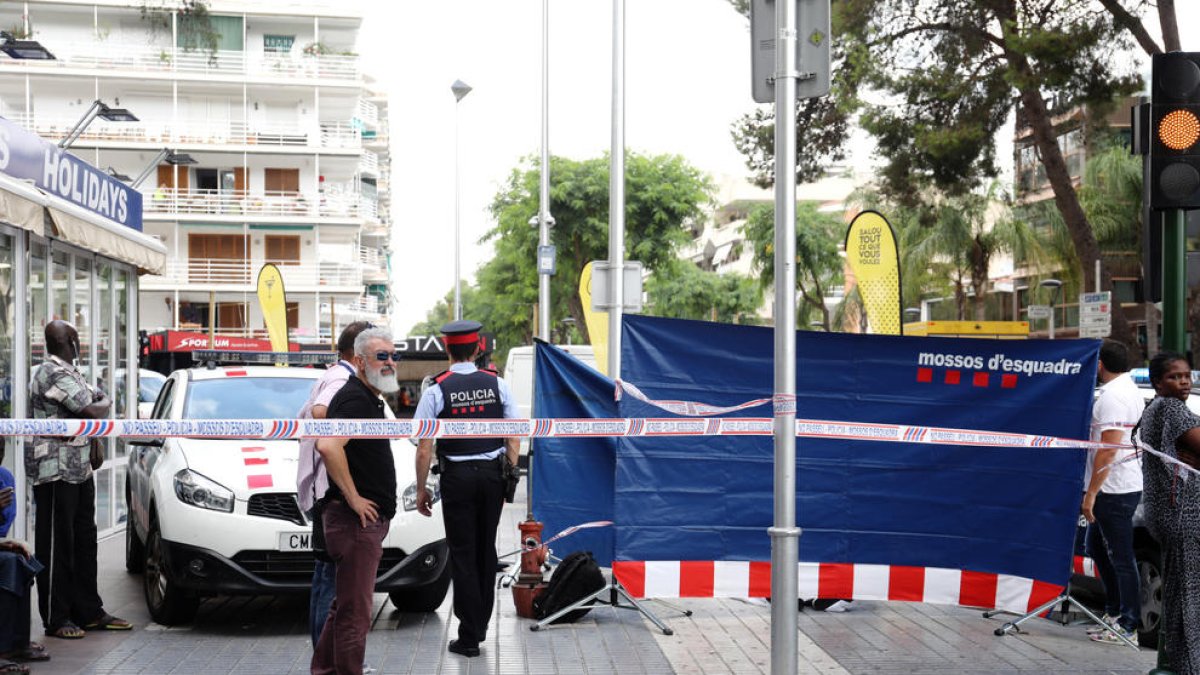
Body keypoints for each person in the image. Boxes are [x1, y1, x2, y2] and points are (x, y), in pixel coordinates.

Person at [414, 320, 519, 658]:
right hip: (491, 478)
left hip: (457, 478)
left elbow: (423, 445)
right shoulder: (497, 384)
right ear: (477, 349)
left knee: (462, 553)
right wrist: (511, 473)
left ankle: (469, 634)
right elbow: (513, 435)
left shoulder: (435, 389)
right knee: (485, 550)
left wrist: (421, 490)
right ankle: (481, 624)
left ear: (447, 349)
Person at [28, 321, 131, 640]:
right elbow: (91, 408)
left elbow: (93, 403)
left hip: (79, 468)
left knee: (85, 541)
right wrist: (103, 403)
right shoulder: (51, 372)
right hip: (55, 470)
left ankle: (89, 611)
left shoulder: (70, 372)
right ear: (71, 342)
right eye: (76, 338)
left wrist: (99, 403)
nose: (80, 344)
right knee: (58, 545)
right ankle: (57, 617)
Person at [311, 327, 399, 675]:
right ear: (360, 361)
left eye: (394, 356)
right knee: (355, 614)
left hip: (358, 523)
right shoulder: (354, 399)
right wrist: (355, 498)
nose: (390, 362)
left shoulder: (368, 397)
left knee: (343, 608)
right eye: (382, 356)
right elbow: (328, 446)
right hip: (355, 523)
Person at [296, 320, 373, 649]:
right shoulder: (342, 380)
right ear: (359, 354)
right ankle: (328, 660)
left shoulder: (332, 375)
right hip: (333, 493)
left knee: (326, 576)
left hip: (325, 490)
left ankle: (323, 658)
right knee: (333, 582)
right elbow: (318, 411)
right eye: (377, 351)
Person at [1134, 351, 1200, 671]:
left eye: (1187, 375)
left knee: (1179, 590)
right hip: (1183, 513)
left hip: (1166, 512)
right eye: (1174, 377)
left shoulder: (1155, 408)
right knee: (1190, 592)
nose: (1184, 381)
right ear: (1158, 382)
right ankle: (1190, 664)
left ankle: (1180, 660)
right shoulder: (1172, 409)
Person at [1081, 340, 1144, 646]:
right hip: (1116, 486)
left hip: (1114, 488)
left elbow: (1109, 450)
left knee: (1121, 557)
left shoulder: (1114, 397)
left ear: (1101, 365)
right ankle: (1114, 613)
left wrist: (1091, 493)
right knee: (1096, 548)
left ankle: (1128, 625)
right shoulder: (1125, 390)